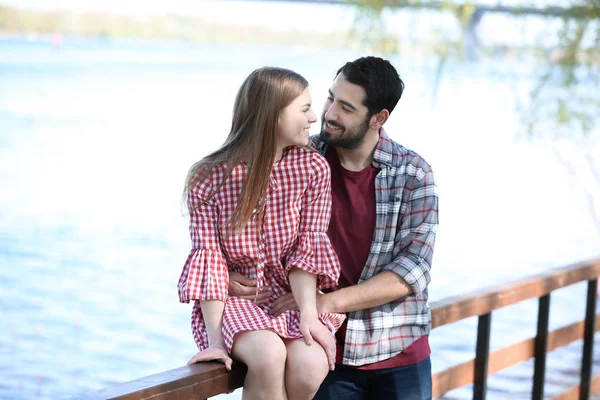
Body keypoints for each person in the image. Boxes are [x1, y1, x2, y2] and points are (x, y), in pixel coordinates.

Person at [229, 57, 439, 400]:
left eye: (346, 107)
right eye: (330, 98)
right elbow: (240, 227)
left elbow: (411, 271)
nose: (328, 113)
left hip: (399, 351)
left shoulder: (414, 174)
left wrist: (324, 302)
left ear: (379, 118)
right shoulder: (297, 158)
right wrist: (224, 275)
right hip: (321, 353)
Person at [177, 67, 345, 400]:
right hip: (235, 302)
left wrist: (309, 316)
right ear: (272, 115)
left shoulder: (312, 168)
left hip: (291, 298)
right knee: (268, 354)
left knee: (310, 365)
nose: (315, 118)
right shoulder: (210, 177)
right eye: (304, 109)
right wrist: (214, 343)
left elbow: (306, 251)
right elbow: (208, 260)